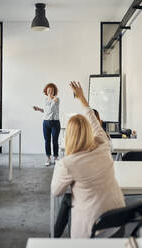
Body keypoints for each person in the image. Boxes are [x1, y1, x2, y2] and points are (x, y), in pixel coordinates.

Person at [51, 81, 125, 238]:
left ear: (68, 137)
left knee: (68, 200)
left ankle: (54, 236)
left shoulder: (68, 164)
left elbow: (56, 191)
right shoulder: (104, 144)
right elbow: (92, 117)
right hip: (120, 224)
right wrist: (82, 98)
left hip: (92, 233)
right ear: (89, 130)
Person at [33, 83, 60, 166]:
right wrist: (38, 109)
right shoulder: (45, 100)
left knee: (55, 141)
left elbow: (51, 109)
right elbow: (45, 110)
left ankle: (55, 157)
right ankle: (48, 158)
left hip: (55, 122)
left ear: (54, 91)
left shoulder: (57, 99)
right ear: (46, 90)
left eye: (52, 90)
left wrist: (51, 100)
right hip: (46, 122)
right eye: (48, 90)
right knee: (47, 141)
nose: (50, 91)